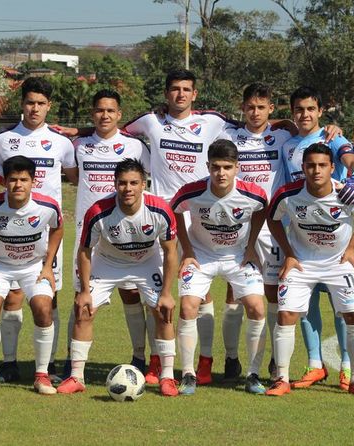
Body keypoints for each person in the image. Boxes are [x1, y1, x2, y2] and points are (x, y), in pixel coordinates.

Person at [121, 69, 238, 385]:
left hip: (198, 217)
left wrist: (288, 126)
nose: (180, 94)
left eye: (187, 89)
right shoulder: (150, 121)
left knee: (200, 295)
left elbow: (253, 127)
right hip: (158, 217)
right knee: (155, 290)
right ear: (166, 93)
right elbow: (116, 130)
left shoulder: (212, 122)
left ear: (195, 94)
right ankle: (157, 360)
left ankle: (205, 360)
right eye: (174, 89)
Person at [57, 158, 180, 397]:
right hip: (108, 262)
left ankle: (167, 377)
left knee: (163, 311)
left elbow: (170, 251)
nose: (128, 188)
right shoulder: (98, 211)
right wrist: (84, 291)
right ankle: (76, 377)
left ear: (144, 184)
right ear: (115, 184)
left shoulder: (159, 210)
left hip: (146, 262)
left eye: (134, 183)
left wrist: (166, 293)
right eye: (122, 183)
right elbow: (84, 251)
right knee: (83, 309)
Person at [266, 142, 354, 397]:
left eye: (322, 165)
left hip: (338, 264)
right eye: (311, 165)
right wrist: (289, 254)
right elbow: (272, 219)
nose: (316, 170)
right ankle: (281, 378)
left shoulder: (345, 194)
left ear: (332, 168)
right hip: (302, 263)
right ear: (303, 167)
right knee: (286, 315)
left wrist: (351, 249)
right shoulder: (287, 194)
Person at [0, 77, 78, 383]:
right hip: (11, 229)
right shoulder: (3, 141)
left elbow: (75, 177)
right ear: (22, 104)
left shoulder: (62, 143)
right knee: (12, 296)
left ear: (49, 106)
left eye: (41, 103)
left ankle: (48, 365)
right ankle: (9, 364)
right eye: (30, 102)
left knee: (48, 297)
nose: (35, 108)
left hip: (47, 231)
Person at [282, 86, 354, 391]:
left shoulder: (332, 137)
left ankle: (345, 366)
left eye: (310, 109)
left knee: (341, 304)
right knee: (305, 304)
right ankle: (315, 364)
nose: (305, 114)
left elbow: (352, 159)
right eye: (299, 110)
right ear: (292, 113)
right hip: (300, 236)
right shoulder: (287, 145)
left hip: (333, 238)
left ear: (320, 112)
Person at [170, 140, 268, 395]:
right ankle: (189, 374)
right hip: (201, 256)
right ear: (208, 167)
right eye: (215, 167)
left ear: (237, 168)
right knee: (189, 305)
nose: (221, 173)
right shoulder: (191, 192)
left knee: (257, 307)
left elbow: (262, 210)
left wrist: (250, 246)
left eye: (226, 167)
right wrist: (188, 250)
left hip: (237, 257)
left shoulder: (252, 193)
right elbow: (174, 212)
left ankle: (253, 374)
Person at [216, 83, 294, 382]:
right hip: (239, 226)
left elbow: (306, 129)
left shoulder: (283, 135)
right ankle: (232, 357)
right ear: (243, 108)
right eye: (250, 107)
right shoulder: (230, 137)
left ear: (271, 109)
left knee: (273, 294)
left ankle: (276, 359)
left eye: (262, 107)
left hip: (273, 226)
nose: (255, 112)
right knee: (235, 295)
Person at [69, 89, 151, 374]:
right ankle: (73, 362)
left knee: (131, 294)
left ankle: (139, 356)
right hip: (87, 233)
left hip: (127, 233)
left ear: (119, 114)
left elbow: (144, 181)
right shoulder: (78, 145)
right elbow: (73, 177)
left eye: (110, 110)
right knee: (82, 295)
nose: (105, 115)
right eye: (99, 110)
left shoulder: (136, 147)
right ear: (93, 114)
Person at [0, 156, 63, 395]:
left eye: (24, 179)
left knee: (43, 307)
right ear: (4, 182)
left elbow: (57, 228)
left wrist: (48, 264)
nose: (18, 185)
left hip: (33, 267)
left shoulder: (47, 206)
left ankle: (42, 376)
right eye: (13, 180)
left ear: (33, 181)